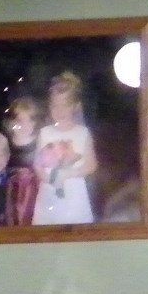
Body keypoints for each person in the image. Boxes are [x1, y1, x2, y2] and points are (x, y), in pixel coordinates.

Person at [31, 71, 97, 225]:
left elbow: (91, 165)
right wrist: (49, 179)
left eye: (65, 105)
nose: (60, 111)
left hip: (75, 194)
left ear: (76, 106)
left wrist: (68, 174)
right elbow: (37, 164)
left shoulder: (82, 133)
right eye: (55, 106)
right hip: (49, 193)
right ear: (49, 106)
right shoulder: (45, 132)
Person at [3, 94, 42, 225]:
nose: (25, 125)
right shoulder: (7, 141)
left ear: (36, 122)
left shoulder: (40, 140)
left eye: (30, 120)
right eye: (20, 120)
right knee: (14, 218)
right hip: (12, 190)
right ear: (12, 121)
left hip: (35, 189)